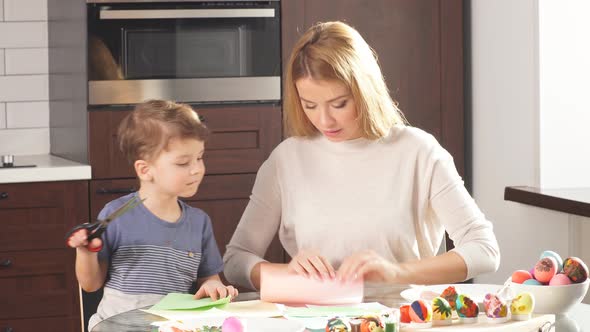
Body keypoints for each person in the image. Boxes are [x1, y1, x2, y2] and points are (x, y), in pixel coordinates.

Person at [223, 21, 500, 291]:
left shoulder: (418, 151)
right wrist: (289, 272)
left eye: (339, 104)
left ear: (364, 91)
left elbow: (484, 248)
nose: (324, 119)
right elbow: (236, 260)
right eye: (310, 105)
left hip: (401, 317)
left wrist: (395, 273)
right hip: (314, 318)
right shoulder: (286, 159)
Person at [67, 100, 238, 330]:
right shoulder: (115, 216)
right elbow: (90, 284)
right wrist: (85, 251)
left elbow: (209, 278)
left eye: (199, 157)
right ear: (145, 170)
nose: (196, 169)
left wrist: (213, 286)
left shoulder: (199, 223)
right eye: (183, 162)